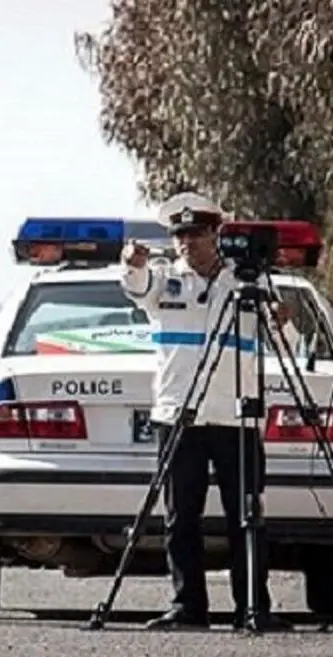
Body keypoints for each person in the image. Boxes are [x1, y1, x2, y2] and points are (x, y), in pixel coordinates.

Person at [120, 192, 297, 632]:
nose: (186, 243)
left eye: (196, 233)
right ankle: (188, 606)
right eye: (180, 235)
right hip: (179, 416)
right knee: (182, 519)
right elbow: (136, 286)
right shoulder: (164, 282)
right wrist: (134, 263)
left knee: (248, 517)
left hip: (236, 417)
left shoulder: (246, 284)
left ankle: (253, 606)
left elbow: (288, 346)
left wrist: (283, 320)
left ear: (216, 234)